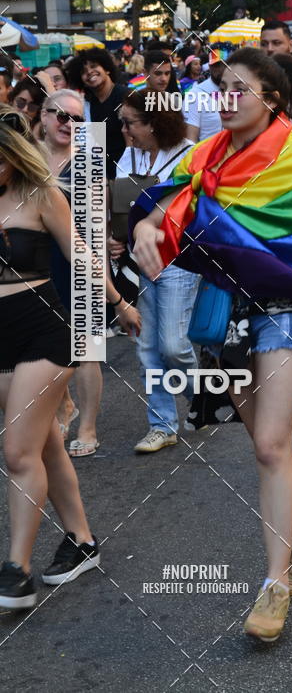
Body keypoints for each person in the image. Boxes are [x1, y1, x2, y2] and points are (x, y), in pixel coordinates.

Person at [131, 48, 292, 642]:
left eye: (239, 88)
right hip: (224, 318)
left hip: (287, 317)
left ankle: (274, 583)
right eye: (221, 87)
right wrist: (142, 223)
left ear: (272, 99)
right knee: (275, 447)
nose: (226, 98)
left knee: (268, 445)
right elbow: (167, 200)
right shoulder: (206, 156)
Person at [0, 107, 140, 609]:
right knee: (44, 446)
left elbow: (81, 254)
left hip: (45, 331)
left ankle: (16, 570)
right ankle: (81, 540)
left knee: (18, 452)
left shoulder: (41, 195)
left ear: (13, 156)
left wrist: (119, 302)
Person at [111, 90, 197, 453]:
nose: (124, 130)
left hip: (179, 260)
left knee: (173, 346)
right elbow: (118, 205)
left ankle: (206, 392)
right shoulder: (127, 155)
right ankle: (162, 425)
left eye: (130, 123)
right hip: (140, 264)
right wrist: (116, 239)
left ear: (153, 123)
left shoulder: (189, 155)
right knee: (148, 349)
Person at [41, 91, 105, 457]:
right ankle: (64, 405)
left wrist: (101, 264)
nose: (68, 124)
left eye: (77, 120)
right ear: (44, 117)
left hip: (80, 258)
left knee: (86, 348)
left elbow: (97, 220)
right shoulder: (26, 157)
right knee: (47, 344)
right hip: (34, 263)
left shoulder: (88, 160)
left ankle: (89, 425)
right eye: (60, 116)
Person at [66, 47, 129, 179]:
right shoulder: (86, 103)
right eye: (83, 72)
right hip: (98, 177)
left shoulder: (125, 96)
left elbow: (132, 144)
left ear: (107, 68)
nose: (89, 72)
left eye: (94, 66)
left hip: (125, 175)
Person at [183, 58, 224, 143]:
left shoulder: (241, 92)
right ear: (210, 66)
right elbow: (190, 140)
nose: (222, 68)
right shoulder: (195, 94)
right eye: (217, 64)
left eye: (226, 63)